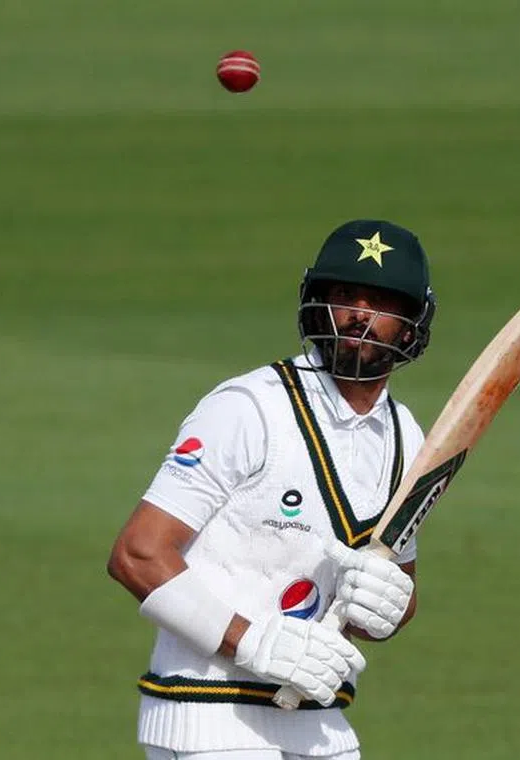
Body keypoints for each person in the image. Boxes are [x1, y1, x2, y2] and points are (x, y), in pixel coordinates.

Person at [107, 219, 438, 760]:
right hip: (207, 715)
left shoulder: (408, 437)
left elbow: (389, 600)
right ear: (316, 305)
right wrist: (252, 641)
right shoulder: (249, 407)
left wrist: (390, 609)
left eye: (379, 301)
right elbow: (137, 554)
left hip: (319, 719)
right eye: (342, 296)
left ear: (410, 325)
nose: (357, 314)